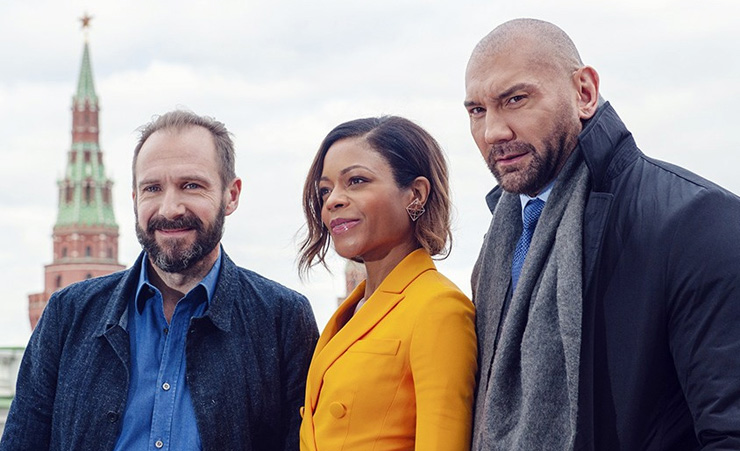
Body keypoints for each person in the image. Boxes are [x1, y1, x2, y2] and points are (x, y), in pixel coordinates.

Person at [464, 18, 740, 450]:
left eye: (515, 99)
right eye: (477, 111)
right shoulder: (499, 247)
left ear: (585, 93)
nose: (493, 131)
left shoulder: (696, 220)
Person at [0, 110, 319, 451]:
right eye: (152, 188)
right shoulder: (68, 313)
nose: (170, 208)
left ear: (232, 195)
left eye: (191, 185)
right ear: (135, 198)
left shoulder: (282, 318)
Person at [297, 116, 477, 450]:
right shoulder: (350, 312)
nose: (332, 200)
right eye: (325, 189)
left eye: (356, 181)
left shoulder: (438, 308)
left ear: (416, 195)